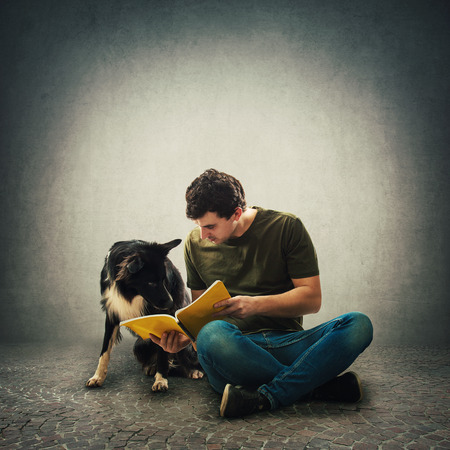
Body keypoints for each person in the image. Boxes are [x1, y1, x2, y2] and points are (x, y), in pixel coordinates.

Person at [149, 168, 373, 418]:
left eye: (210, 226)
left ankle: (263, 397)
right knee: (211, 334)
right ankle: (315, 384)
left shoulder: (287, 227)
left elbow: (312, 299)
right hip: (229, 351)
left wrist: (255, 305)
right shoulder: (195, 243)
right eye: (199, 226)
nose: (203, 235)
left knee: (359, 324)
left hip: (287, 342)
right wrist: (185, 337)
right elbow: (200, 316)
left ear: (236, 213)